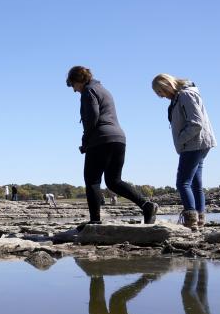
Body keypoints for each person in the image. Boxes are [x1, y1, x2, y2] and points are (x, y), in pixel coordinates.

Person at [66, 65, 158, 227]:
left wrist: (85, 140)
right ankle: (146, 205)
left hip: (101, 139)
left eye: (73, 85)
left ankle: (95, 222)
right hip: (119, 139)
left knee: (92, 180)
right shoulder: (104, 90)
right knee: (114, 181)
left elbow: (92, 117)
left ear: (78, 80)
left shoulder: (88, 91)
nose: (74, 90)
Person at [152, 73, 217, 230]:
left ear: (167, 85)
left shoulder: (185, 95)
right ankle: (200, 220)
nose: (162, 96)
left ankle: (191, 220)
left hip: (193, 143)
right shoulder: (181, 96)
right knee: (195, 183)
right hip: (198, 143)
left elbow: (196, 123)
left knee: (182, 182)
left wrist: (180, 140)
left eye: (161, 92)